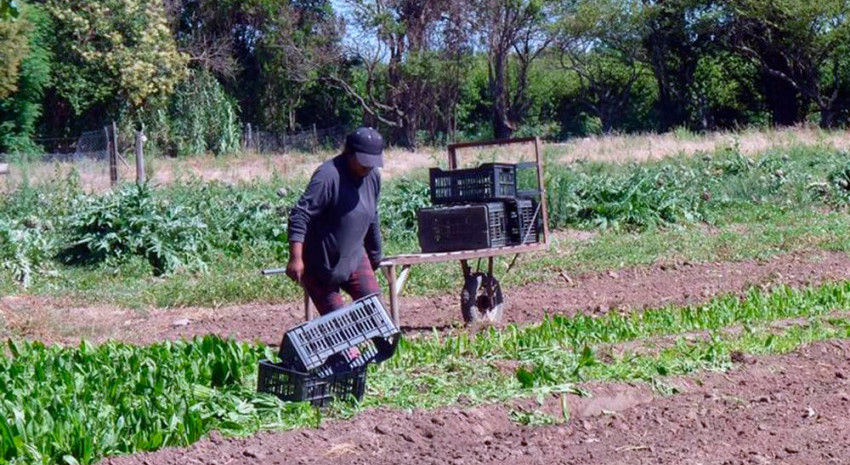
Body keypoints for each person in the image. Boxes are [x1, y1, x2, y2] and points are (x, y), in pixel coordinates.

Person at [286, 127, 384, 315]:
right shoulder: (328, 176)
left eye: (372, 163)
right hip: (319, 264)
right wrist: (296, 258)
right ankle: (347, 346)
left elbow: (372, 215)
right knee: (339, 325)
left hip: (354, 256)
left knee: (377, 314)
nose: (368, 167)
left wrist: (375, 253)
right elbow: (300, 214)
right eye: (364, 162)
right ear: (349, 153)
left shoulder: (372, 177)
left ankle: (385, 345)